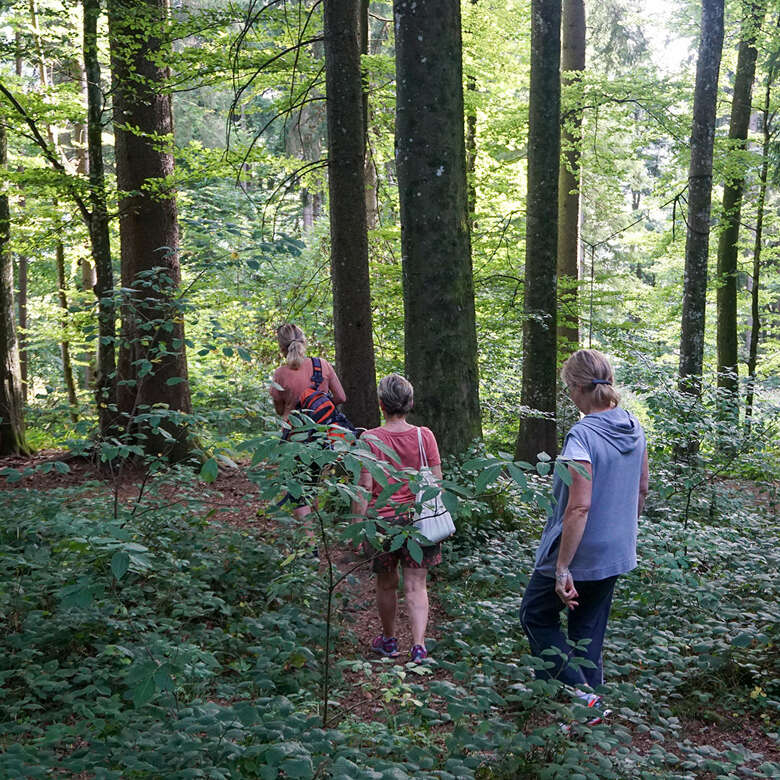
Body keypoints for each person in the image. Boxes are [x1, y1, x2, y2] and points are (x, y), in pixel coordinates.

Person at [519, 349, 649, 723]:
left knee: (536, 615)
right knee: (587, 625)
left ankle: (579, 697)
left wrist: (562, 567)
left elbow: (579, 506)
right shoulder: (633, 426)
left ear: (577, 387)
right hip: (616, 549)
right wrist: (621, 532)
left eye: (568, 390)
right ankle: (585, 703)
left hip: (579, 550)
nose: (569, 396)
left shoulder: (582, 434)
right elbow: (641, 488)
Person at [352, 373, 442, 663]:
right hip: (419, 522)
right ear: (410, 402)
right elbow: (437, 482)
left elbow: (364, 486)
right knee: (417, 585)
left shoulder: (369, 439)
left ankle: (389, 641)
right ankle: (418, 647)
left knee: (386, 583)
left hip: (382, 522)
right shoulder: (424, 435)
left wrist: (358, 526)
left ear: (381, 404)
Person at [269, 323, 346, 525]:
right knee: (312, 483)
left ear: (281, 347)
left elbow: (279, 410)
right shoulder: (322, 365)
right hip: (321, 436)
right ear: (304, 341)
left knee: (297, 489)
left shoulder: (280, 374)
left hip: (293, 438)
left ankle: (310, 544)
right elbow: (341, 397)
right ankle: (318, 531)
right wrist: (321, 405)